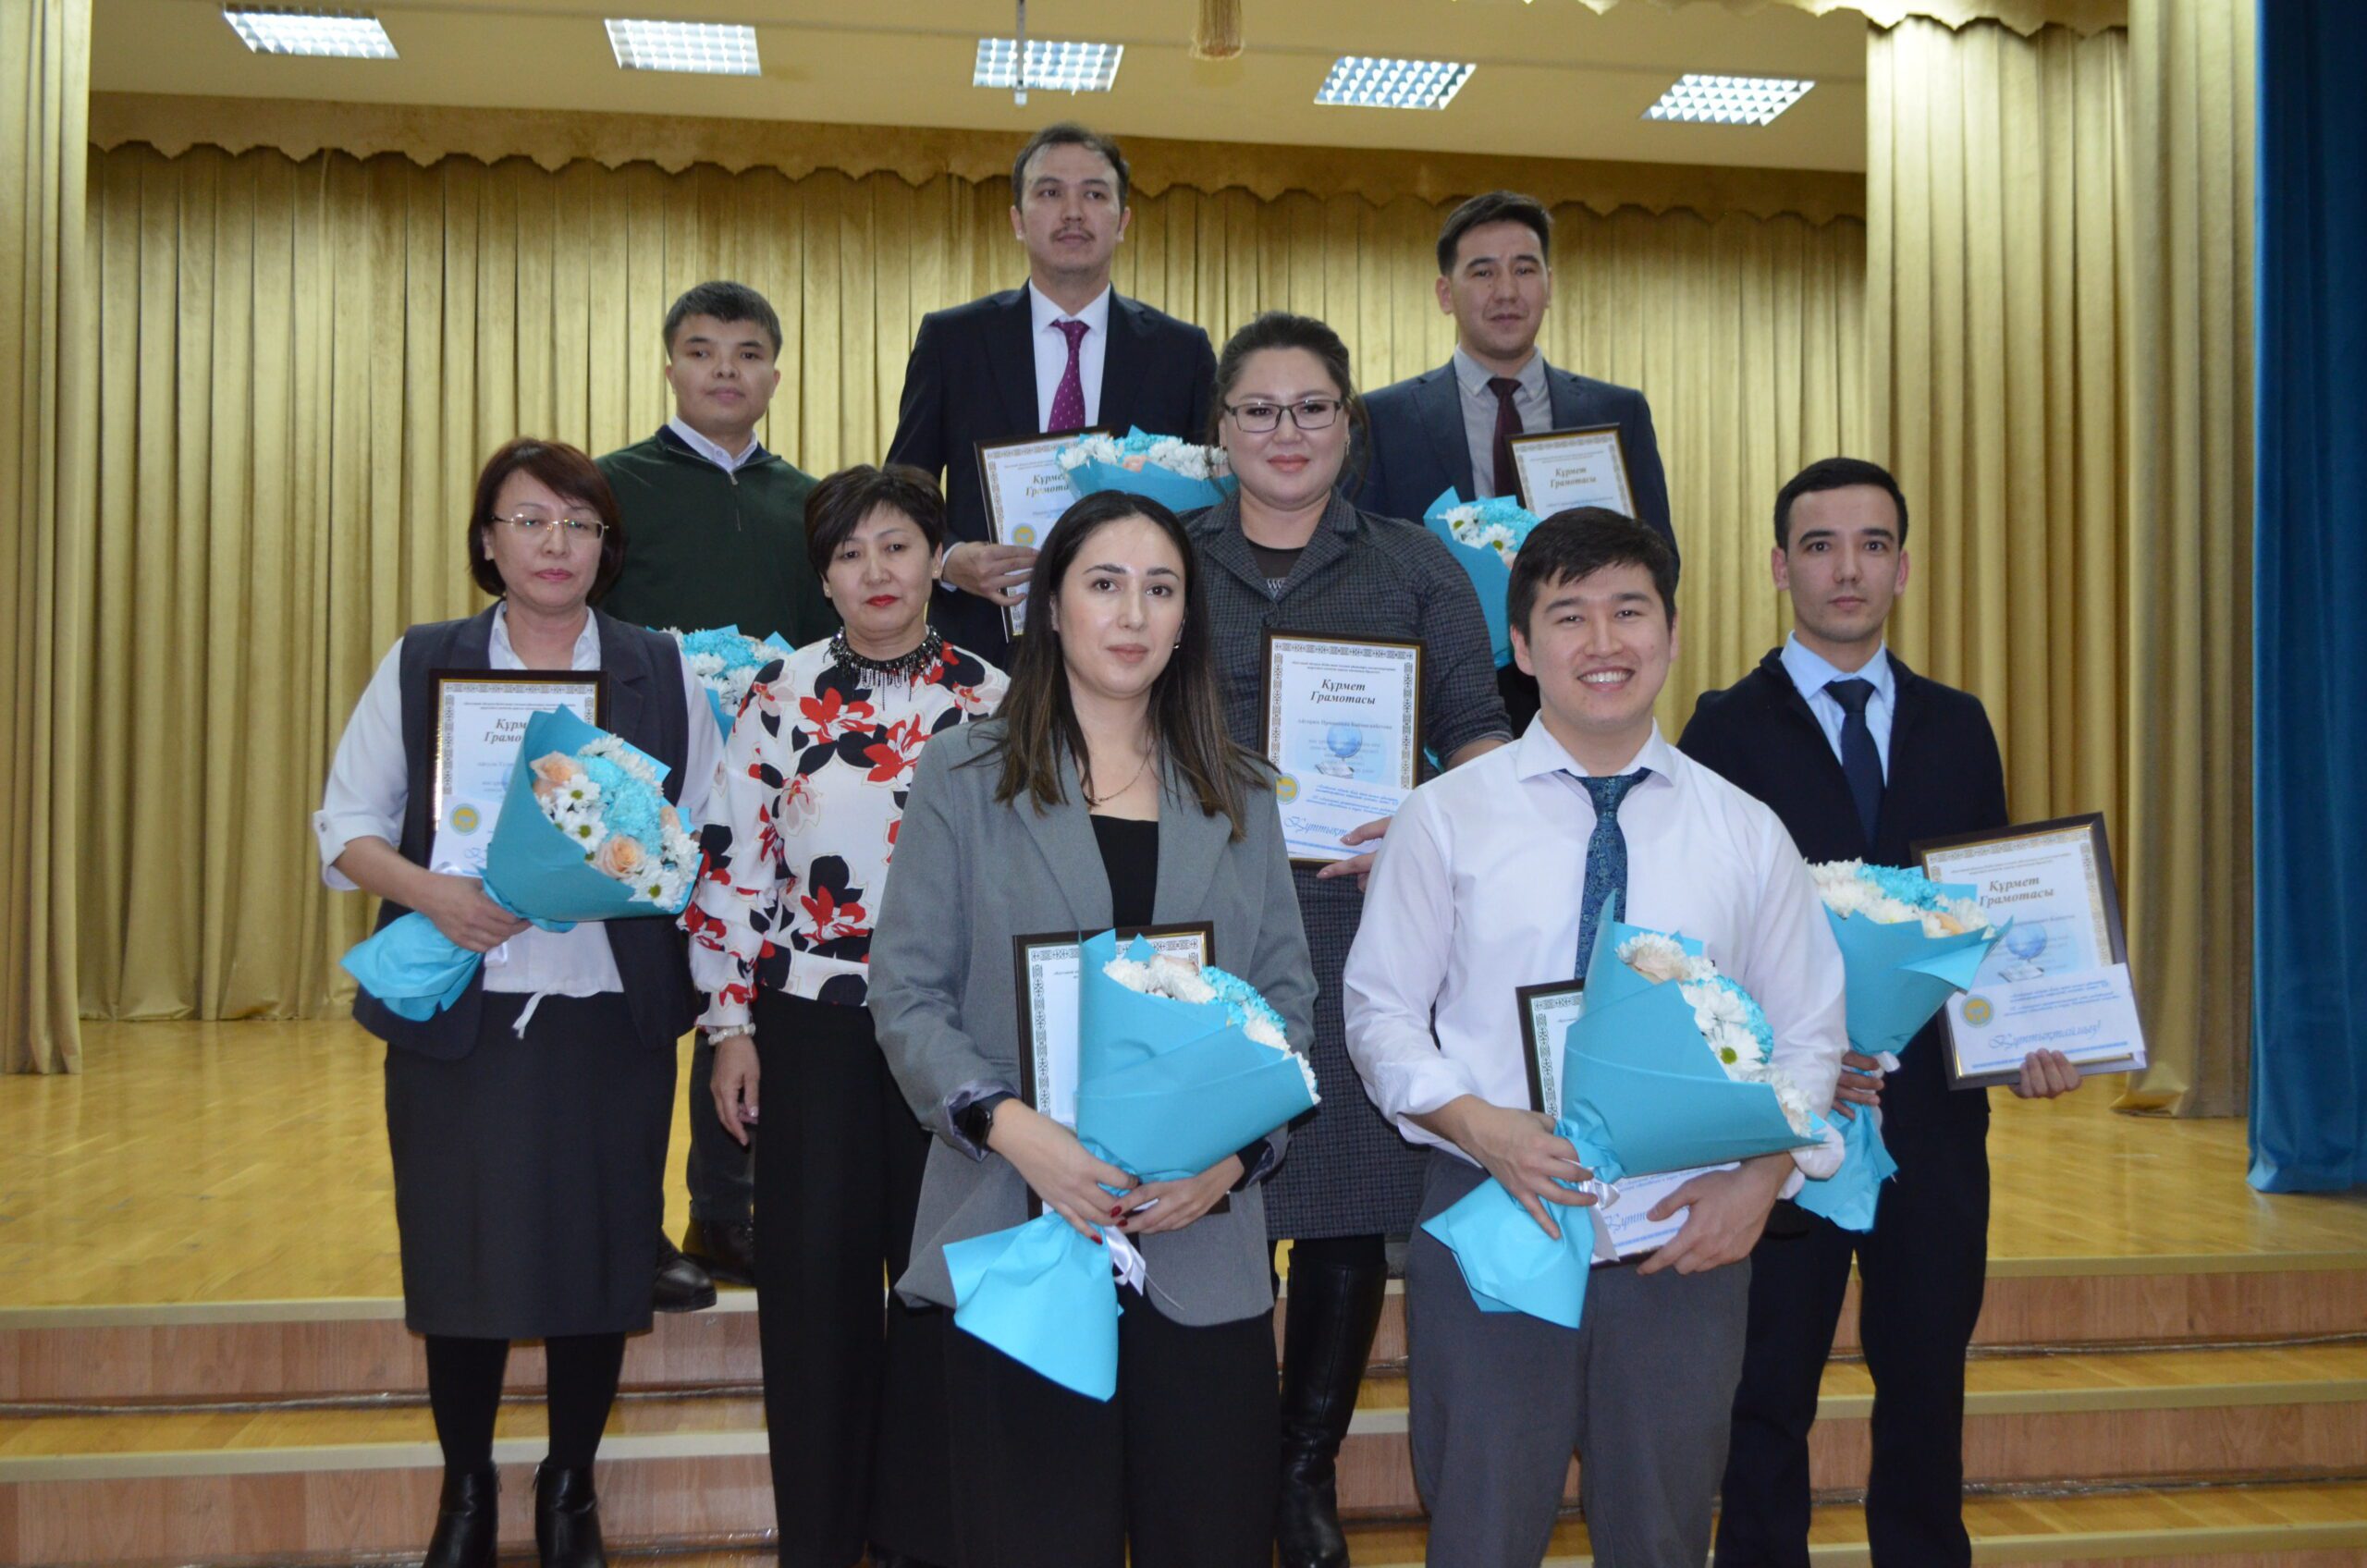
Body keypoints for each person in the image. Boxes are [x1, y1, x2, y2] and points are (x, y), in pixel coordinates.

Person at [1343, 508, 1848, 1567]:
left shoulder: (1744, 830)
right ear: (1522, 647)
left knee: (1660, 1538)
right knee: (1479, 1534)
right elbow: (1378, 1010)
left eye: (1629, 610)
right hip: (1491, 1206)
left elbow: (1809, 1035)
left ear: (1671, 630)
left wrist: (1761, 1181)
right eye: (1568, 616)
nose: (1603, 642)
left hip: (1684, 1228)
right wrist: (1478, 1124)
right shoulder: (1445, 815)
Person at [867, 491, 1315, 1568]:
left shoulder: (1242, 791)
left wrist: (1229, 1160)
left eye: (1160, 589)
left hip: (1198, 1235)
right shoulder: (964, 775)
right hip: (1016, 1218)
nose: (1132, 613)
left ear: (1186, 618)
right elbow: (907, 994)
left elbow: (1286, 1005)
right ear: (1052, 607)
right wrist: (1019, 1133)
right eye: (1104, 584)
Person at [314, 438, 720, 1568]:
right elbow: (344, 828)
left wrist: (629, 863)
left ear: (607, 547)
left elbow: (704, 834)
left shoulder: (658, 668)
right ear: (488, 540)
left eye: (580, 525)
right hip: (464, 1020)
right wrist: (433, 892)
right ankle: (465, 1491)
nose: (556, 544)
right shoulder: (424, 661)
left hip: (607, 1016)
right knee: (461, 1262)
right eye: (530, 520)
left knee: (600, 1262)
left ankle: (570, 1486)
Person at [1679, 459, 2081, 1568]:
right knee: (1765, 1395)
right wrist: (1786, 1061)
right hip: (1784, 1131)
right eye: (1819, 545)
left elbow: (1984, 917)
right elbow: (1702, 937)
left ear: (1903, 567)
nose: (1846, 568)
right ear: (1779, 567)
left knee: (1926, 1386)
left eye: (1871, 544)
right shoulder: (1720, 731)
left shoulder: (1960, 724)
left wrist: (2030, 1033)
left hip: (1933, 1127)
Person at [1184, 311, 1511, 1568]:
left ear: (1348, 424)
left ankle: (1302, 1466)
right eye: (1258, 409)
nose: (1287, 431)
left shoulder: (1417, 566)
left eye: (1312, 407)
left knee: (1341, 1201)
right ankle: (1219, 1456)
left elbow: (1480, 733)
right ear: (1221, 430)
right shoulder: (1167, 557)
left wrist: (1427, 815)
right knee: (1205, 1188)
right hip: (1195, 922)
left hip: (1355, 918)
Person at [682, 465, 1005, 1568]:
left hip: (952, 1036)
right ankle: (818, 1539)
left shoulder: (992, 698)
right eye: (850, 551)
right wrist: (729, 1024)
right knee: (813, 1292)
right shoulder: (778, 693)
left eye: (898, 545)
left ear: (935, 562)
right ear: (823, 577)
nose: (876, 569)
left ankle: (922, 1534)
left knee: (937, 1284)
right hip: (810, 1025)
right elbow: (733, 867)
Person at [597, 279, 840, 1305]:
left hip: (771, 798)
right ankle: (624, 1225)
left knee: (741, 1003)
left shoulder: (812, 504)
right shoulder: (612, 489)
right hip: (642, 793)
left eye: (747, 354)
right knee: (639, 1011)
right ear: (670, 368)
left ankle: (728, 1212)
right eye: (702, 352)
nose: (725, 371)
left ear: (776, 374)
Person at [886, 122, 1218, 669]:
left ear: (1123, 221)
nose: (1072, 212)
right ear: (1018, 220)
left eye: (1094, 194)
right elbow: (904, 484)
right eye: (1049, 192)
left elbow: (1211, 504)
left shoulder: (1181, 351)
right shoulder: (953, 340)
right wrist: (948, 558)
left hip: (1133, 643)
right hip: (985, 644)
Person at [1355, 190, 1676, 735]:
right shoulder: (1382, 418)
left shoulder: (1617, 411)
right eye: (1483, 272)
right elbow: (1362, 560)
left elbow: (1661, 555)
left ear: (1549, 285)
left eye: (1524, 269)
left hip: (1587, 687)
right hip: (1435, 700)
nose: (1506, 290)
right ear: (1445, 293)